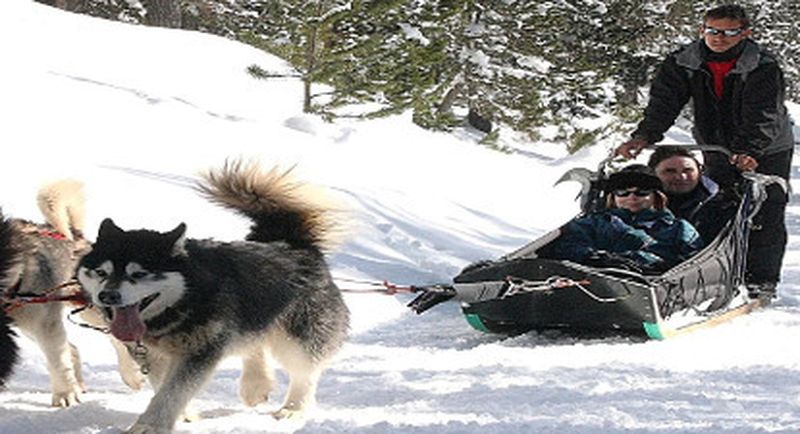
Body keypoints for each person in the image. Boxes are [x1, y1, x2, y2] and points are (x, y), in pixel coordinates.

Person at [615, 4, 794, 297]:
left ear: (745, 33)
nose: (718, 38)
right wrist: (644, 136)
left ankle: (761, 281)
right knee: (715, 204)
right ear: (702, 30)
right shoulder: (683, 62)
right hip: (716, 144)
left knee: (764, 210)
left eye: (729, 33)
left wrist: (749, 150)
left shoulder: (761, 65)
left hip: (767, 147)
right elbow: (664, 103)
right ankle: (708, 272)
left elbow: (764, 114)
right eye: (712, 31)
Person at [547, 165, 704, 273]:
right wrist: (598, 258)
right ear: (613, 197)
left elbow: (695, 260)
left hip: (655, 287)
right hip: (593, 283)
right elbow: (566, 246)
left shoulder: (678, 227)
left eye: (642, 192)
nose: (632, 197)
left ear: (656, 196)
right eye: (623, 192)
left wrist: (653, 263)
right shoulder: (593, 222)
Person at [647, 146, 737, 243]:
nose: (681, 177)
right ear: (653, 174)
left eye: (688, 170)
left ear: (700, 172)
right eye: (670, 171)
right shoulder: (640, 203)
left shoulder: (722, 205)